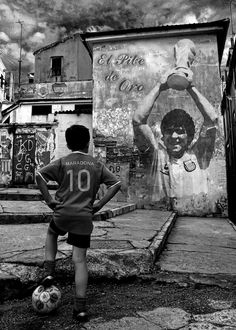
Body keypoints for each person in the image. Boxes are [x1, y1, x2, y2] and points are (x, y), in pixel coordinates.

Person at [36, 125, 121, 322]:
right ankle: (80, 309)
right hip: (83, 217)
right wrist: (99, 204)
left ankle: (49, 271)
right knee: (79, 261)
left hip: (63, 213)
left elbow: (39, 175)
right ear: (88, 143)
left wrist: (49, 199)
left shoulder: (63, 162)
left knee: (52, 233)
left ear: (67, 143)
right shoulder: (96, 165)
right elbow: (116, 184)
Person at [132, 81, 218, 208]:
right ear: (163, 135)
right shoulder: (157, 155)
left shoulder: (198, 155)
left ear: (189, 136)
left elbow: (212, 119)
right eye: (169, 131)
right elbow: (137, 120)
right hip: (161, 221)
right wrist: (159, 86)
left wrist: (190, 86)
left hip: (196, 222)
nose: (174, 137)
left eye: (180, 131)